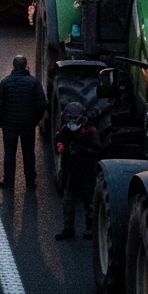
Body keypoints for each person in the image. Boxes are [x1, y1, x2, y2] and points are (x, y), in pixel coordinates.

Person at [0, 56, 46, 190]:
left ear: (13, 66)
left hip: (9, 125)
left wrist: (1, 122)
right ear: (25, 65)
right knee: (29, 153)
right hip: (28, 124)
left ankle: (9, 182)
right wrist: (35, 120)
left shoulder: (5, 82)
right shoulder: (33, 82)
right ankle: (30, 181)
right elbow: (41, 104)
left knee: (9, 153)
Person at [54, 102, 101, 240]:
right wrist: (61, 146)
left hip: (87, 171)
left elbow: (97, 150)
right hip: (72, 171)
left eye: (75, 118)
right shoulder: (65, 130)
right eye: (70, 118)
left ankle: (90, 229)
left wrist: (81, 150)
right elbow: (58, 140)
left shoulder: (89, 131)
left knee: (89, 200)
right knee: (68, 199)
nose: (72, 121)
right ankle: (68, 228)